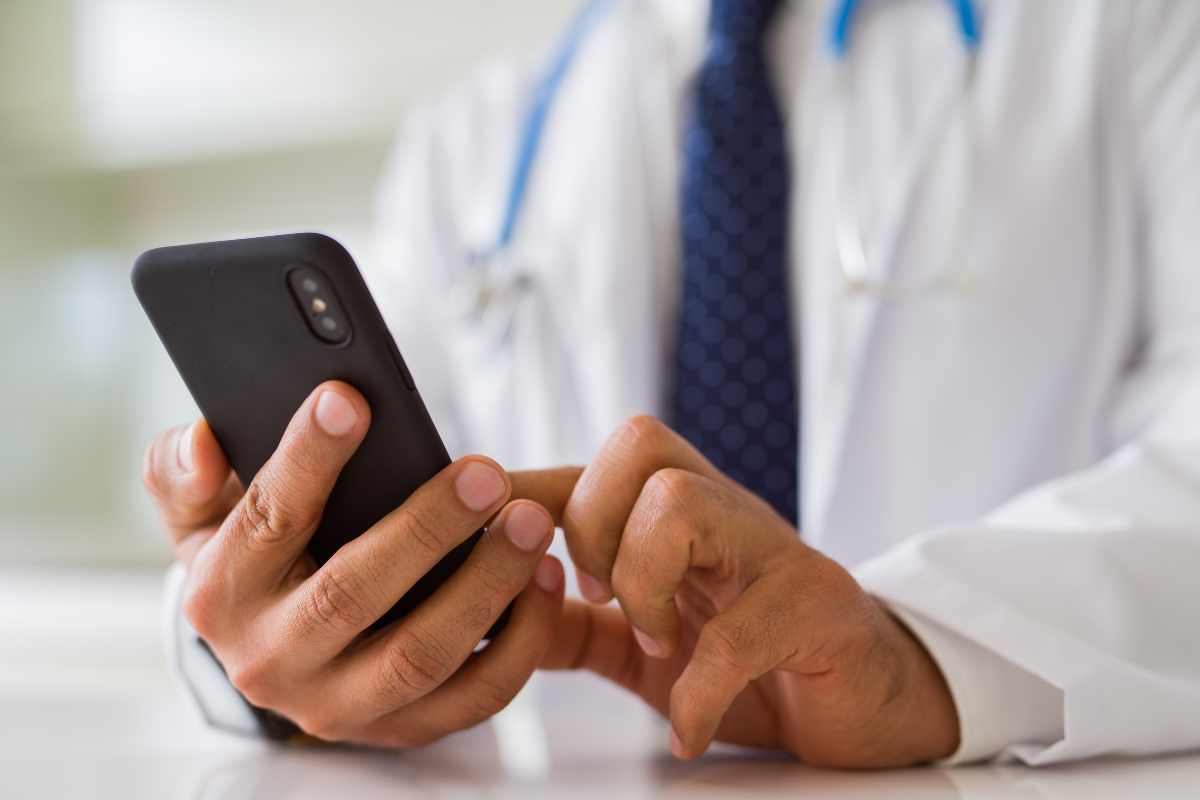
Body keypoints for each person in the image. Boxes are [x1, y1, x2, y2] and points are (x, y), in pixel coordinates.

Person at [143, 0, 1200, 768]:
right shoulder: (473, 140)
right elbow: (359, 537)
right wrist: (272, 642)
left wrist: (926, 652)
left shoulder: (1135, 32)